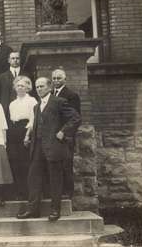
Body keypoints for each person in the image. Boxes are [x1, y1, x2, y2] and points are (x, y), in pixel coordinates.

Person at [17, 77, 81, 221]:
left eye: (42, 86)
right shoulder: (36, 106)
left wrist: (63, 132)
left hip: (54, 146)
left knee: (55, 179)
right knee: (33, 177)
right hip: (38, 146)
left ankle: (55, 210)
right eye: (37, 87)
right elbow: (37, 125)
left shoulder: (59, 102)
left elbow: (76, 118)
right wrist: (29, 137)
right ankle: (33, 210)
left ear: (49, 87)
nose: (39, 89)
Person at [51, 68, 81, 199]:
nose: (56, 81)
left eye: (59, 78)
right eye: (54, 78)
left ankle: (68, 193)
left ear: (65, 79)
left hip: (65, 136)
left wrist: (64, 131)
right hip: (53, 135)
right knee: (55, 164)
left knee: (66, 164)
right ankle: (57, 191)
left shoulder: (71, 95)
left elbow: (76, 118)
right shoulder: (50, 93)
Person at [7, 76, 37, 200]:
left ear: (28, 87)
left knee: (26, 163)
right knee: (15, 161)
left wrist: (27, 136)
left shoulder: (32, 101)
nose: (20, 88)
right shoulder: (12, 103)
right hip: (14, 131)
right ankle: (18, 192)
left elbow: (32, 119)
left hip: (25, 131)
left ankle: (28, 192)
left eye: (23, 85)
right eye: (18, 85)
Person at [0, 51, 21, 121]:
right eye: (13, 58)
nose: (15, 60)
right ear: (9, 60)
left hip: (22, 110)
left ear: (20, 60)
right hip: (6, 112)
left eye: (17, 58)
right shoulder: (1, 77)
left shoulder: (27, 75)